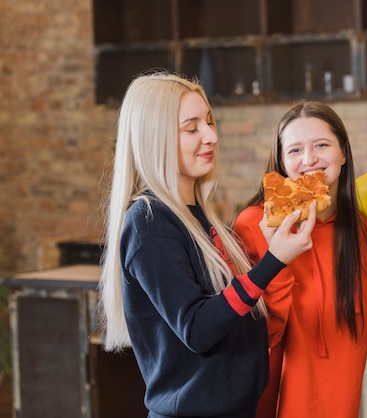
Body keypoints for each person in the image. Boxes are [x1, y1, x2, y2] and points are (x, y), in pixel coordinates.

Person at [98, 72, 317, 418]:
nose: (211, 136)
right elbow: (198, 329)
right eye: (192, 128)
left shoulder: (201, 218)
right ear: (155, 138)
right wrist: (273, 261)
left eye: (210, 122)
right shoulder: (149, 222)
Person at [232, 100, 367, 418]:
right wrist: (277, 258)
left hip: (340, 401)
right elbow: (251, 332)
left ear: (344, 153)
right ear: (281, 161)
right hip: (266, 403)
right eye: (294, 150)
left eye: (321, 145)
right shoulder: (254, 224)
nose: (309, 159)